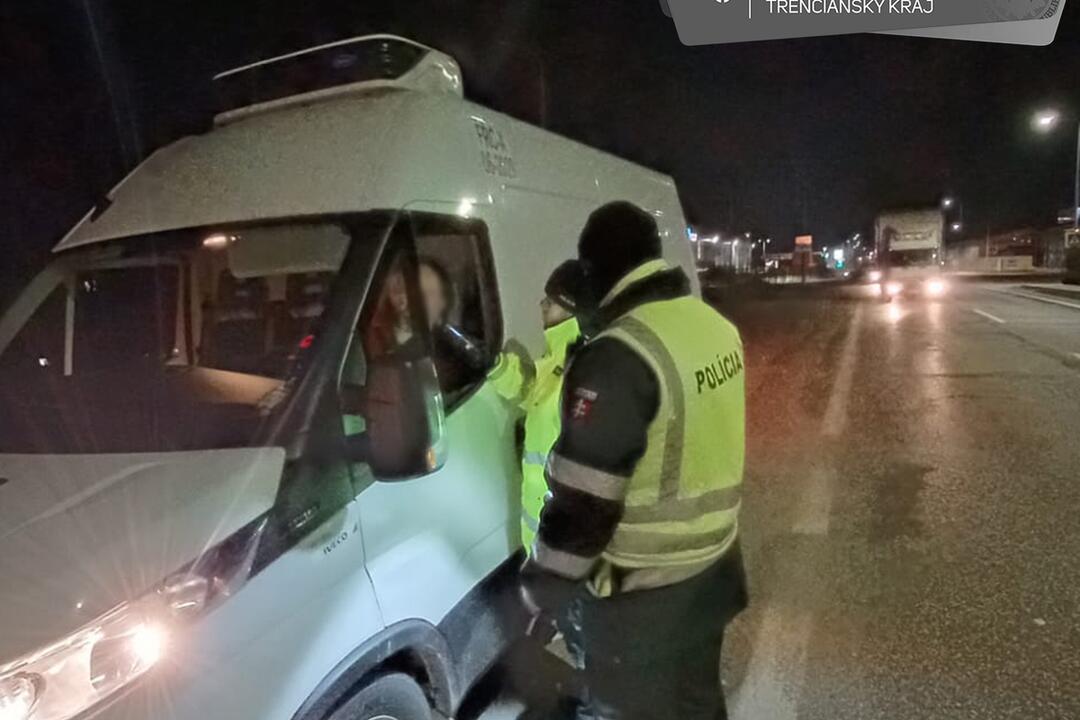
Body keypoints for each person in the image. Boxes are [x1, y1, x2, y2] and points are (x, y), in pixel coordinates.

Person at [521, 201, 749, 720]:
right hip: (713, 570)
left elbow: (583, 506)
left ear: (598, 269)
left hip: (644, 601)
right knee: (697, 704)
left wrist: (544, 588)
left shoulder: (617, 356)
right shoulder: (715, 326)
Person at [489, 259, 590, 550]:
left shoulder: (581, 369)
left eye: (554, 300)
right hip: (541, 537)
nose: (543, 305)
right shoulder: (555, 361)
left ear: (573, 309)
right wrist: (493, 365)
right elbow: (529, 392)